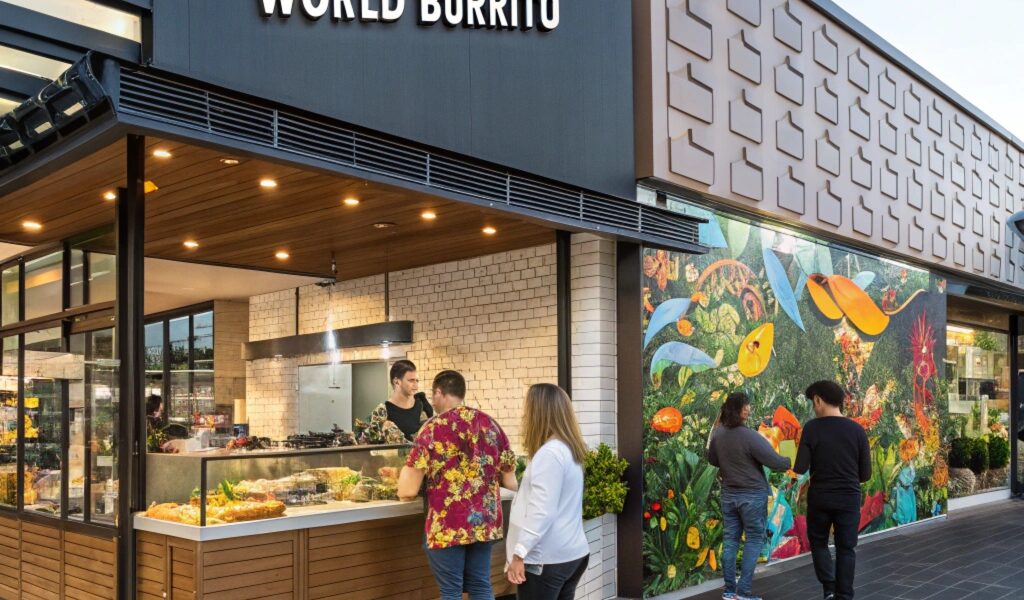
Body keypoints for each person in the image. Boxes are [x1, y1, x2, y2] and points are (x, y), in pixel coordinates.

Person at [397, 370, 518, 600]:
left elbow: (407, 491)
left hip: (448, 524)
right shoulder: (490, 425)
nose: (432, 402)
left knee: (451, 592)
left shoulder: (432, 429)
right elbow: (511, 482)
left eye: (433, 396)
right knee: (481, 585)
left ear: (440, 393)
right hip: (484, 523)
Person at [505, 384, 590, 600]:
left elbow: (542, 511)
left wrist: (519, 553)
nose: (525, 415)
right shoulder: (569, 449)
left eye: (528, 409)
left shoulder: (549, 454)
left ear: (538, 412)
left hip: (546, 559)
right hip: (571, 553)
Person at [708, 392, 791, 600]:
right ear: (738, 409)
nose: (749, 409)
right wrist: (790, 459)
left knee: (730, 541)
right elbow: (776, 462)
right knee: (754, 539)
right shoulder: (749, 436)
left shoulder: (718, 434)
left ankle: (729, 591)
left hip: (729, 496)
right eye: (746, 406)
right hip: (752, 496)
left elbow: (713, 460)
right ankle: (743, 592)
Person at [794, 380, 872, 600]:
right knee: (846, 548)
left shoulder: (811, 428)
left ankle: (829, 588)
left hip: (821, 499)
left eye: (813, 402)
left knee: (819, 543)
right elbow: (865, 474)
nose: (813, 407)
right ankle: (844, 595)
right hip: (848, 499)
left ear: (818, 400)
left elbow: (800, 467)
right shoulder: (857, 430)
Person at [375, 359, 433, 440]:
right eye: (411, 380)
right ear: (396, 382)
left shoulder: (422, 405)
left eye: (417, 381)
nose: (416, 385)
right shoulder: (383, 412)